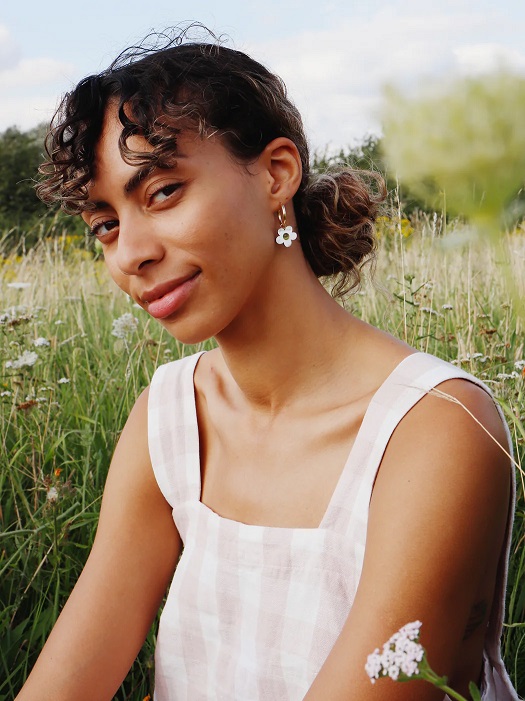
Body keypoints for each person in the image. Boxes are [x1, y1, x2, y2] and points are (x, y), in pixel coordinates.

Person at [17, 28, 518, 701]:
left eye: (162, 192)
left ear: (276, 173)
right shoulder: (169, 418)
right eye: (104, 223)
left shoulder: (434, 429)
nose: (128, 252)